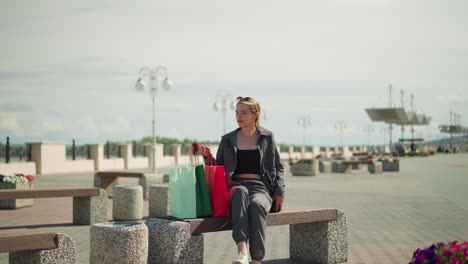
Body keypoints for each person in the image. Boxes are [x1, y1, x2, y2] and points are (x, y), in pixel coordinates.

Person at [199, 96, 285, 264]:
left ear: (256, 114)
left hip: (261, 188)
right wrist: (207, 156)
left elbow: (278, 166)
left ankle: (256, 260)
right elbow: (219, 168)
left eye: (244, 113)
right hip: (235, 186)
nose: (239, 116)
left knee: (257, 205)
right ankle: (241, 250)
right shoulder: (228, 139)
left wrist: (279, 191)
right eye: (237, 112)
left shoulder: (267, 137)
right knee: (241, 191)